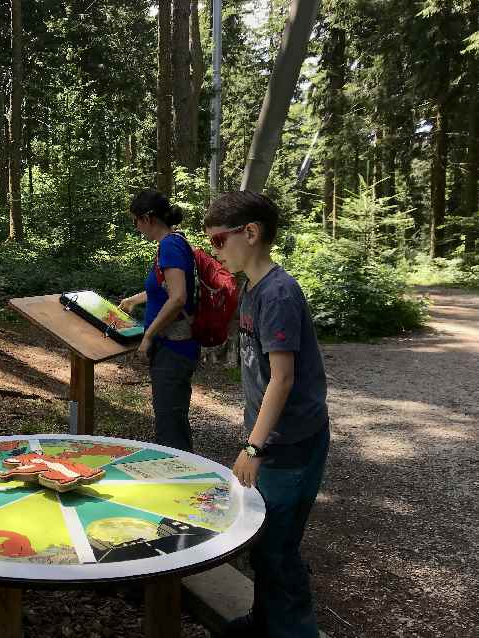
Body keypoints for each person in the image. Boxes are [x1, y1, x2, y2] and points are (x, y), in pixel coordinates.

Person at [203, 191, 330, 638]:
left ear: (250, 233)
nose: (216, 251)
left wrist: (253, 446)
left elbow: (282, 379)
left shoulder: (279, 292)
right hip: (273, 439)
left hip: (290, 444)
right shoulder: (253, 289)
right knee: (263, 542)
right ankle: (266, 622)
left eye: (219, 240)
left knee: (278, 548)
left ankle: (294, 631)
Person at [119, 189, 199, 452]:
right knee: (171, 420)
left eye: (136, 221)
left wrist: (149, 336)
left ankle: (180, 484)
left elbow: (177, 299)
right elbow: (164, 288)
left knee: (170, 428)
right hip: (172, 348)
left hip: (173, 348)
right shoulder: (174, 242)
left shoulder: (170, 246)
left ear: (148, 218)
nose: (136, 227)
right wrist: (134, 300)